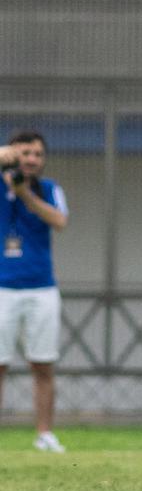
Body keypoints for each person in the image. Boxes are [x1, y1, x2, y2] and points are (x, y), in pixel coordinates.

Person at [0, 130, 69, 453]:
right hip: (3, 287)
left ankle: (44, 433)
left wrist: (25, 193)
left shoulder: (49, 189)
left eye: (38, 154)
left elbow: (59, 220)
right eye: (25, 153)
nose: (31, 159)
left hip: (41, 287)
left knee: (42, 364)